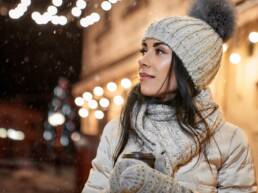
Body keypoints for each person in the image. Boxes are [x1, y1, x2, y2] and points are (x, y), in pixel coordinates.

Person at [82, 0, 257, 192]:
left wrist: (165, 188)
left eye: (159, 51)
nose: (143, 60)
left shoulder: (229, 140)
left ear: (191, 68)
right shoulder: (118, 130)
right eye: (144, 50)